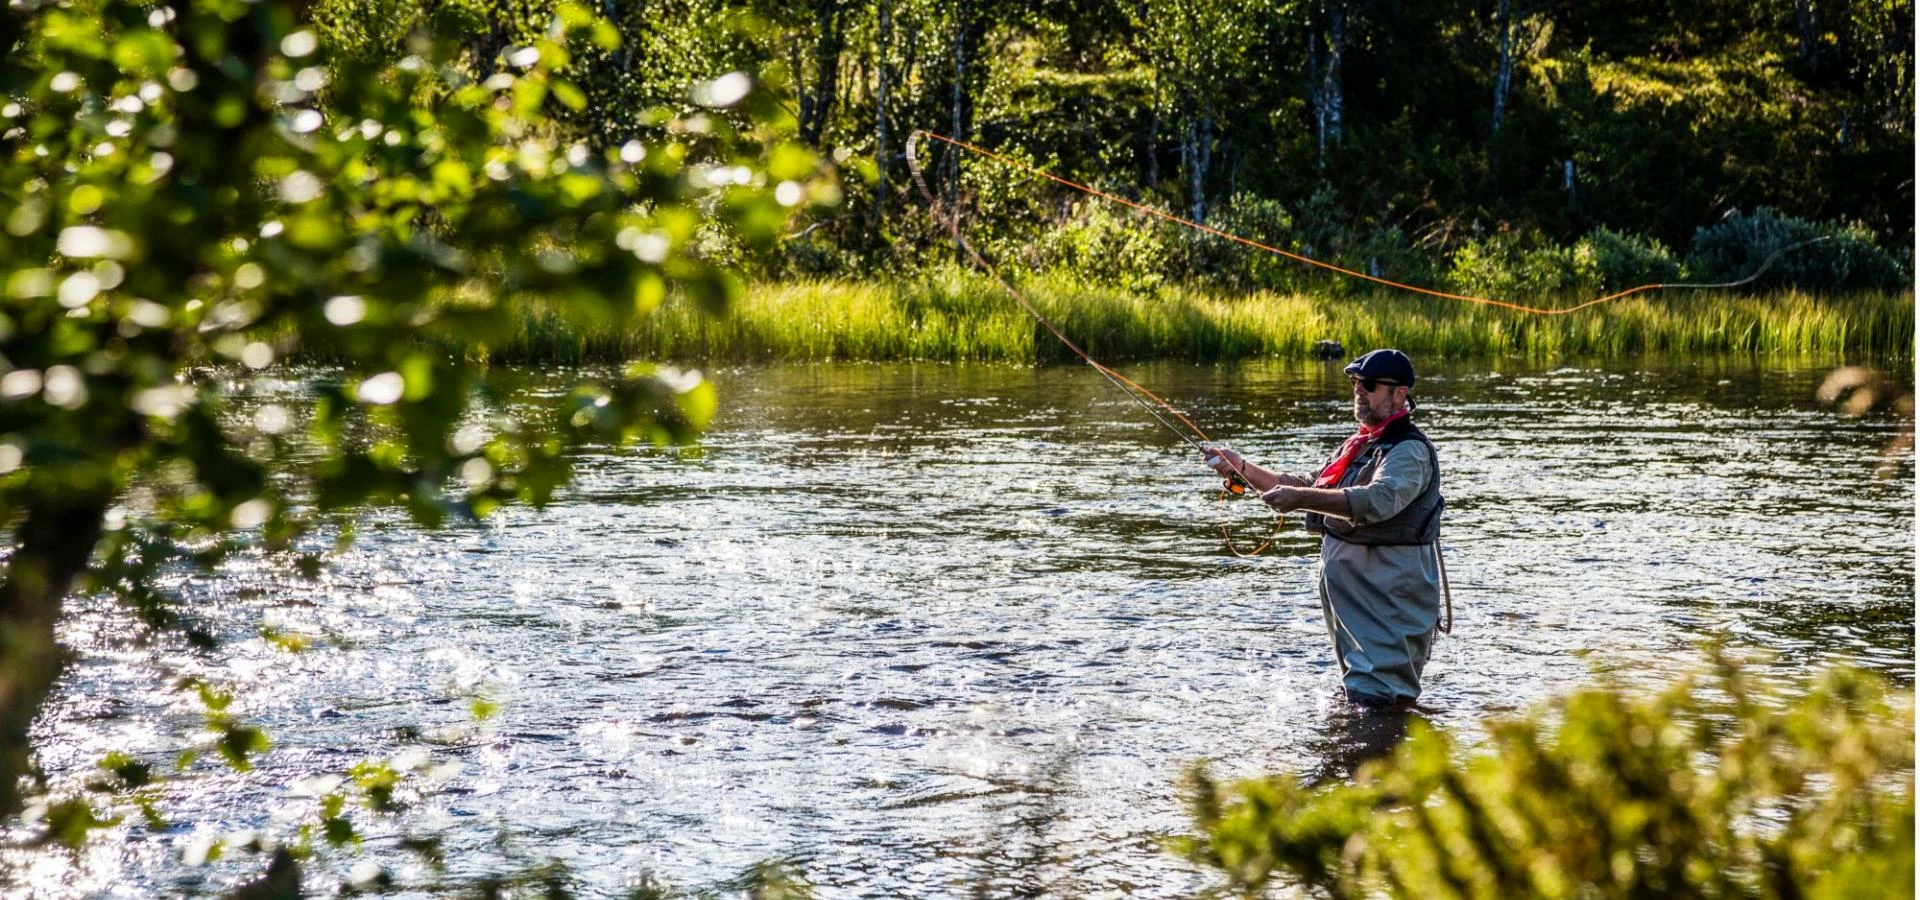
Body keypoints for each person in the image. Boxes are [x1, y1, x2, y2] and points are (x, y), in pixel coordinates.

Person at [1204, 348, 1445, 709]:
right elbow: (1310, 486)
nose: (1358, 391)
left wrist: (1299, 499)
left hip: (1387, 598)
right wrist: (1241, 467)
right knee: (1361, 698)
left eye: (1368, 384)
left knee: (1381, 702)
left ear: (1400, 394)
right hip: (1356, 601)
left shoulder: (1408, 451)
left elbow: (1378, 499)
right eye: (1354, 383)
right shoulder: (1359, 445)